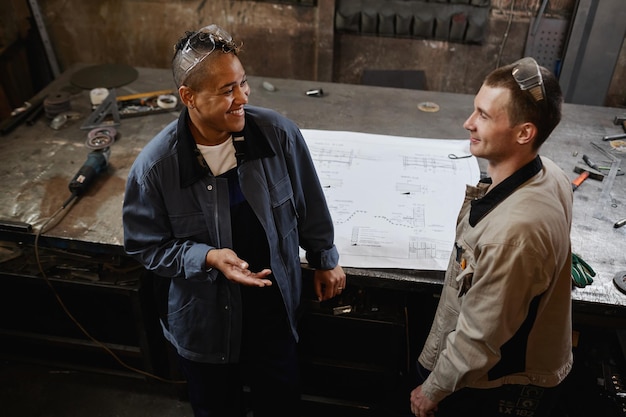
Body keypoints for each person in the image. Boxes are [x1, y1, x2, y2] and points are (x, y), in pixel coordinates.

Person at [122, 24, 346, 417]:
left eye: (243, 83)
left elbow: (309, 200)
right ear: (188, 97)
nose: (242, 97)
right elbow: (145, 245)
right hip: (205, 321)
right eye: (227, 90)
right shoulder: (155, 169)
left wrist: (324, 257)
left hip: (273, 313)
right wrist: (207, 257)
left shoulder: (278, 135)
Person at [409, 57, 573, 417]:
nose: (468, 123)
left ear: (524, 133)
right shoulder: (551, 173)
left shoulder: (515, 234)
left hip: (488, 383)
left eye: (483, 115)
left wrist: (432, 390)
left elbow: (480, 337)